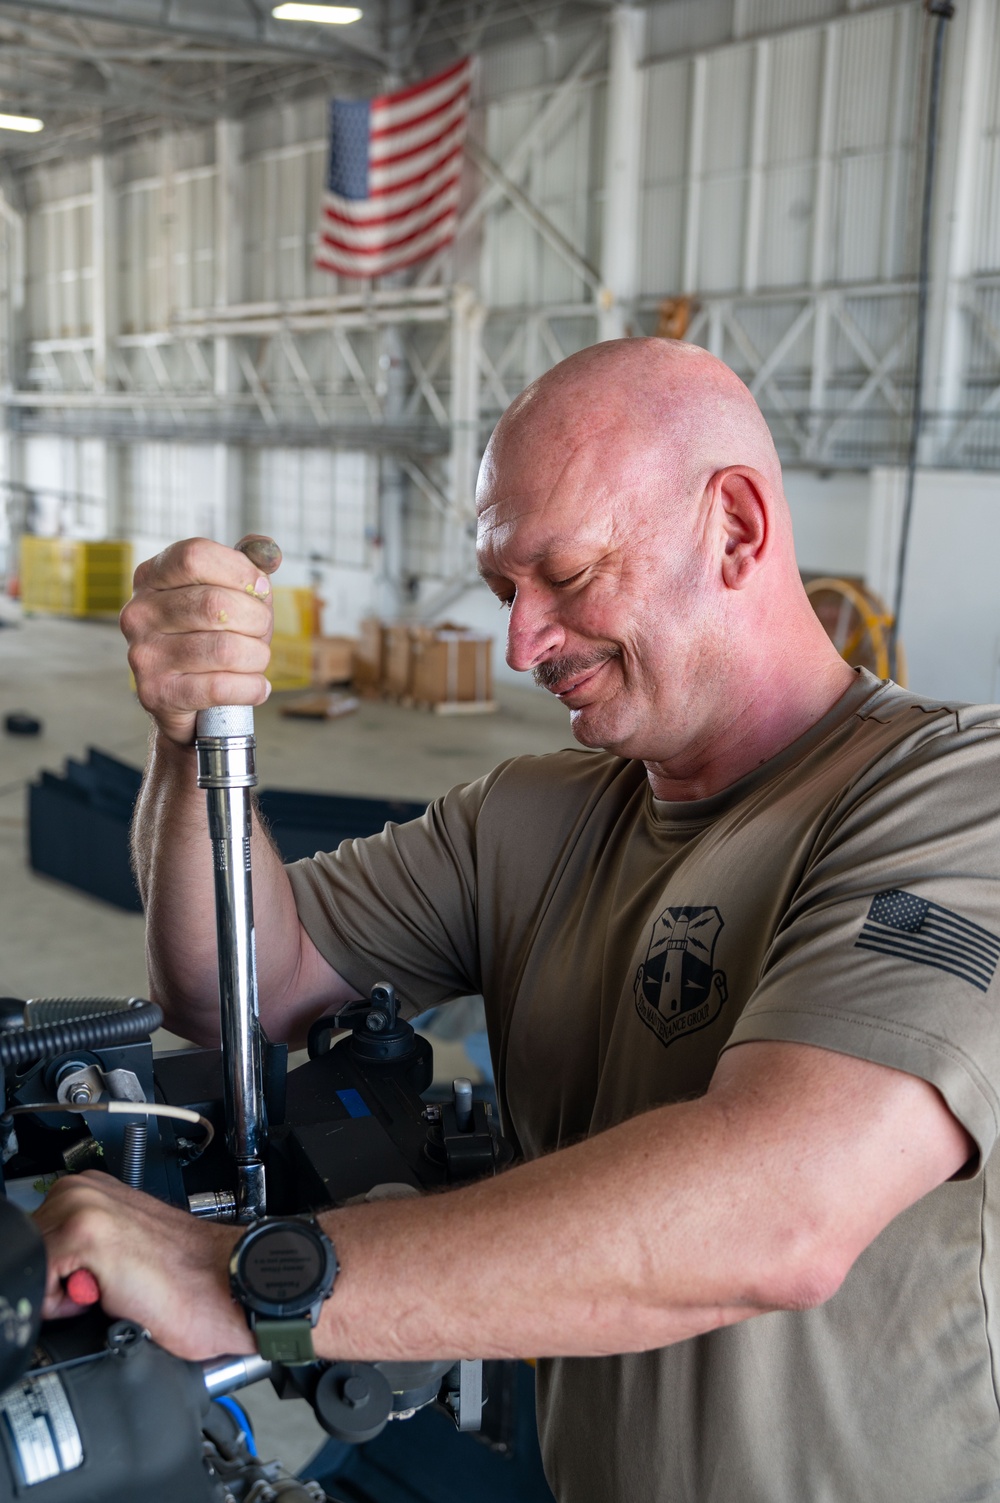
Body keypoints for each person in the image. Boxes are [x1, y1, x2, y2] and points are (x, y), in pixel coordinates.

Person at [35, 338, 1000, 1503]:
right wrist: (193, 743)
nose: (520, 644)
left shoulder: (953, 800)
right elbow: (236, 982)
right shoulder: (531, 815)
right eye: (504, 591)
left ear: (735, 529)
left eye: (569, 575)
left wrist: (250, 1279)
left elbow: (783, 1213)